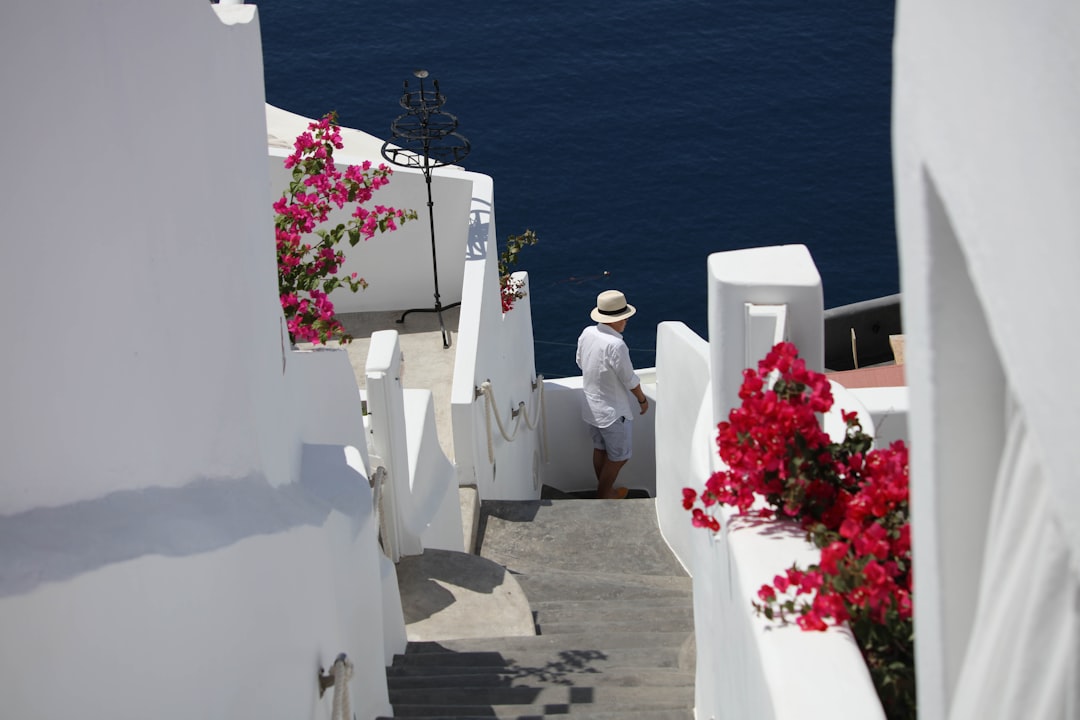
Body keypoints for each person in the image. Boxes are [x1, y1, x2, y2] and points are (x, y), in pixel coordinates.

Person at [576, 290, 649, 499]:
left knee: (600, 448)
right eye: (623, 316)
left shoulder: (588, 332)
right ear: (616, 319)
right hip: (613, 413)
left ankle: (606, 491)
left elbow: (580, 362)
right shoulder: (616, 345)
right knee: (619, 457)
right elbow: (629, 379)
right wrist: (642, 400)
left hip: (591, 407)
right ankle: (604, 495)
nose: (626, 320)